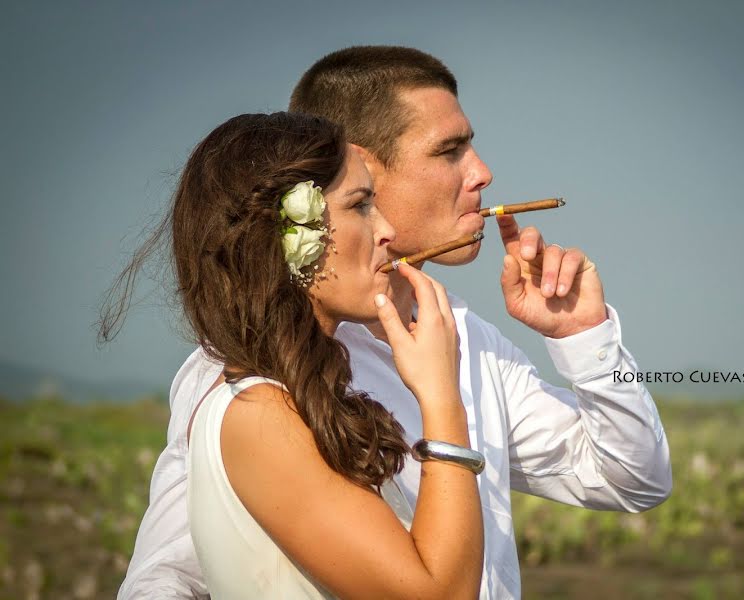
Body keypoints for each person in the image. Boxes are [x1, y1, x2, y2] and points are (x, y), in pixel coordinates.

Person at [120, 46, 672, 600]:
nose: (482, 172)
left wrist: (585, 336)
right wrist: (442, 400)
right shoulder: (244, 380)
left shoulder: (468, 338)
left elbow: (632, 478)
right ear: (358, 166)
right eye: (449, 151)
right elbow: (168, 578)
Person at [101, 111, 486, 598]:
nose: (387, 230)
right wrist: (442, 396)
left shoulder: (297, 400)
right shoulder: (258, 414)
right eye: (361, 205)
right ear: (284, 237)